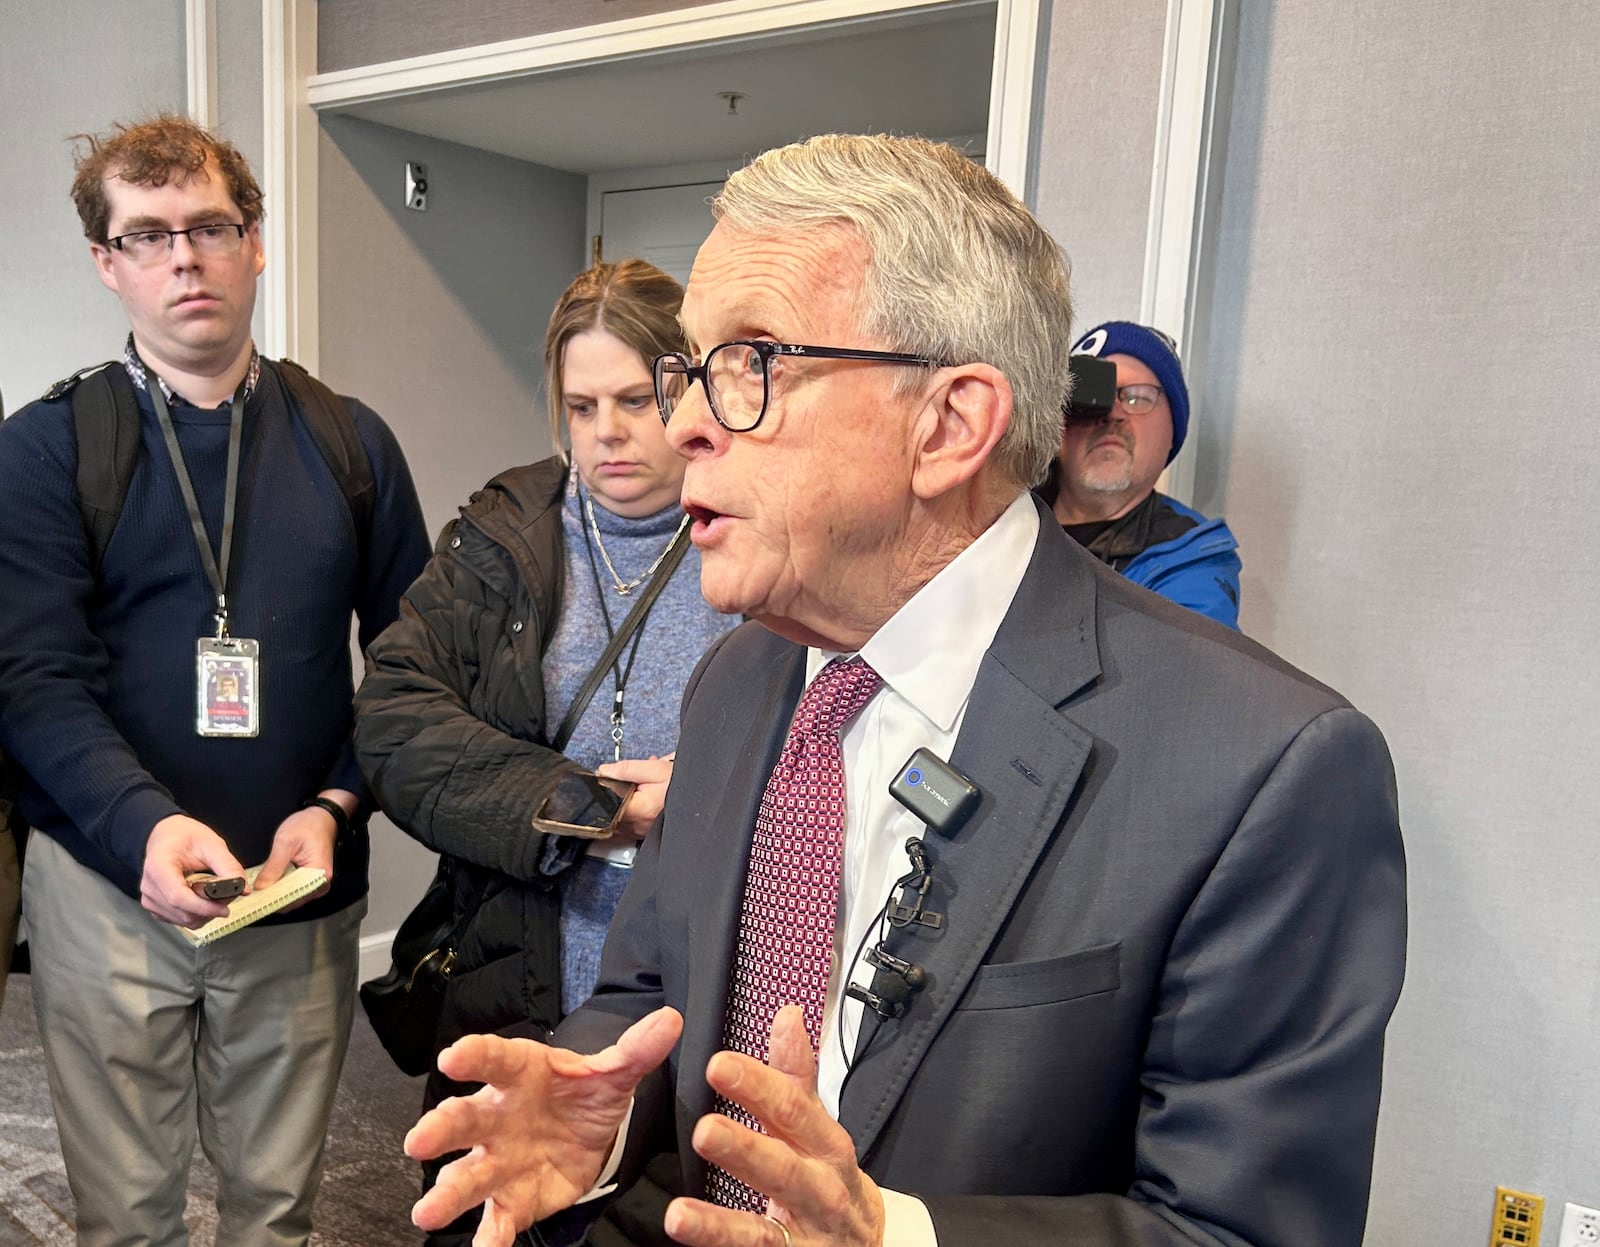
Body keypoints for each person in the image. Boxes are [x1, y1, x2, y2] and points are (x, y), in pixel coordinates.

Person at [403, 134, 1407, 1247]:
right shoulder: (736, 680)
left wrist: (899, 1238)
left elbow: (1243, 1230)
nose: (684, 420)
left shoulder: (1266, 767)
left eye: (748, 364)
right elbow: (651, 989)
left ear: (948, 424)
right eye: (692, 369)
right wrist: (604, 1103)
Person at [0, 115, 430, 1246]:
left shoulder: (351, 444)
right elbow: (33, 677)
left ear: (254, 242)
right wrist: (141, 826)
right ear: (108, 264)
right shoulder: (46, 449)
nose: (183, 256)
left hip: (296, 888)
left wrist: (339, 802)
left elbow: (409, 669)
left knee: (276, 1210)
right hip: (104, 881)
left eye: (208, 226)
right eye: (146, 236)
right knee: (127, 1215)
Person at [352, 259, 736, 1245]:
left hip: (688, 991)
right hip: (510, 959)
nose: (606, 430)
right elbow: (394, 718)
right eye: (579, 404)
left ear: (691, 385)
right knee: (490, 1216)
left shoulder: (752, 529)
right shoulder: (501, 534)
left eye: (634, 399)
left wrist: (703, 795)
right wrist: (593, 802)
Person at [1036, 321, 1242, 627]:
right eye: (1093, 396)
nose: (1112, 413)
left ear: (1173, 432)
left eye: (1138, 397)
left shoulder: (1191, 559)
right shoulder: (1000, 511)